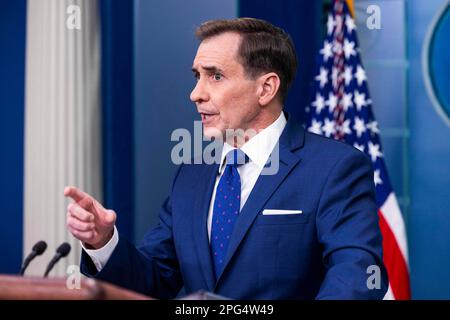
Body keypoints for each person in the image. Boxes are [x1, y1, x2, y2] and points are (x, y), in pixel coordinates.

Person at [65, 18, 388, 299]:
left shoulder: (335, 168)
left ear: (266, 89)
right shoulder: (190, 175)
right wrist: (103, 241)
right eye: (197, 76)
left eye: (215, 76)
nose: (196, 93)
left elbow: (357, 275)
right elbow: (153, 281)